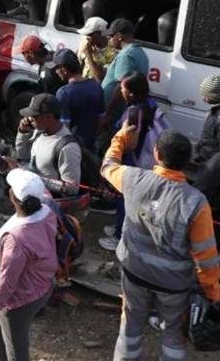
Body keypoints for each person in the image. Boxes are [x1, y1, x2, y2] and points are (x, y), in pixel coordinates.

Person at [101, 127, 220, 361]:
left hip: (134, 274)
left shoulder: (133, 178)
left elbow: (107, 165)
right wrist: (213, 292)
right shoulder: (196, 203)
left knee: (130, 328)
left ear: (156, 154)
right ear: (187, 161)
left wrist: (121, 138)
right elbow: (205, 258)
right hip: (173, 286)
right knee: (174, 336)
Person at [0, 169, 57, 361]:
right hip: (42, 284)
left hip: (20, 299)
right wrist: (15, 167)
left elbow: (7, 282)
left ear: (13, 198)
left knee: (16, 348)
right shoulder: (47, 210)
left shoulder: (17, 240)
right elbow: (43, 192)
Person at [99, 72, 171, 252]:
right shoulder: (151, 103)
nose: (120, 90)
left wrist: (119, 139)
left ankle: (119, 237)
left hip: (132, 161)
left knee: (124, 199)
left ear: (130, 93)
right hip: (146, 160)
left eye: (122, 88)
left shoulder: (133, 112)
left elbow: (131, 144)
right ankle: (118, 227)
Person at [14, 93, 81, 197]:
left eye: (33, 116)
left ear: (48, 117)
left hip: (49, 202)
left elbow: (71, 188)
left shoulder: (67, 148)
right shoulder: (39, 132)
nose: (29, 119)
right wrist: (23, 132)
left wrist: (34, 179)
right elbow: (23, 155)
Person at [53, 48, 105, 152]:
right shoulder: (96, 86)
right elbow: (102, 120)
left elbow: (64, 129)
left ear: (63, 69)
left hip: (73, 149)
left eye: (56, 69)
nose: (56, 72)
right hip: (91, 147)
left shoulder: (63, 93)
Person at [102, 18, 150, 123]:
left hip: (115, 111)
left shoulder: (125, 55)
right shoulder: (140, 52)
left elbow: (122, 87)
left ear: (119, 36)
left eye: (111, 36)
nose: (109, 39)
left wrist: (108, 110)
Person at [193, 75, 220, 204]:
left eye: (206, 96)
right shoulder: (215, 112)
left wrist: (201, 184)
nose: (203, 98)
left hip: (211, 173)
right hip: (205, 162)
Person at [76, 16, 116, 82]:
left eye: (90, 34)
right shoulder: (86, 43)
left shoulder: (113, 51)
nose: (87, 37)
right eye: (86, 34)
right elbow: (77, 64)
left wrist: (89, 55)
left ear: (101, 33)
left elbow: (99, 78)